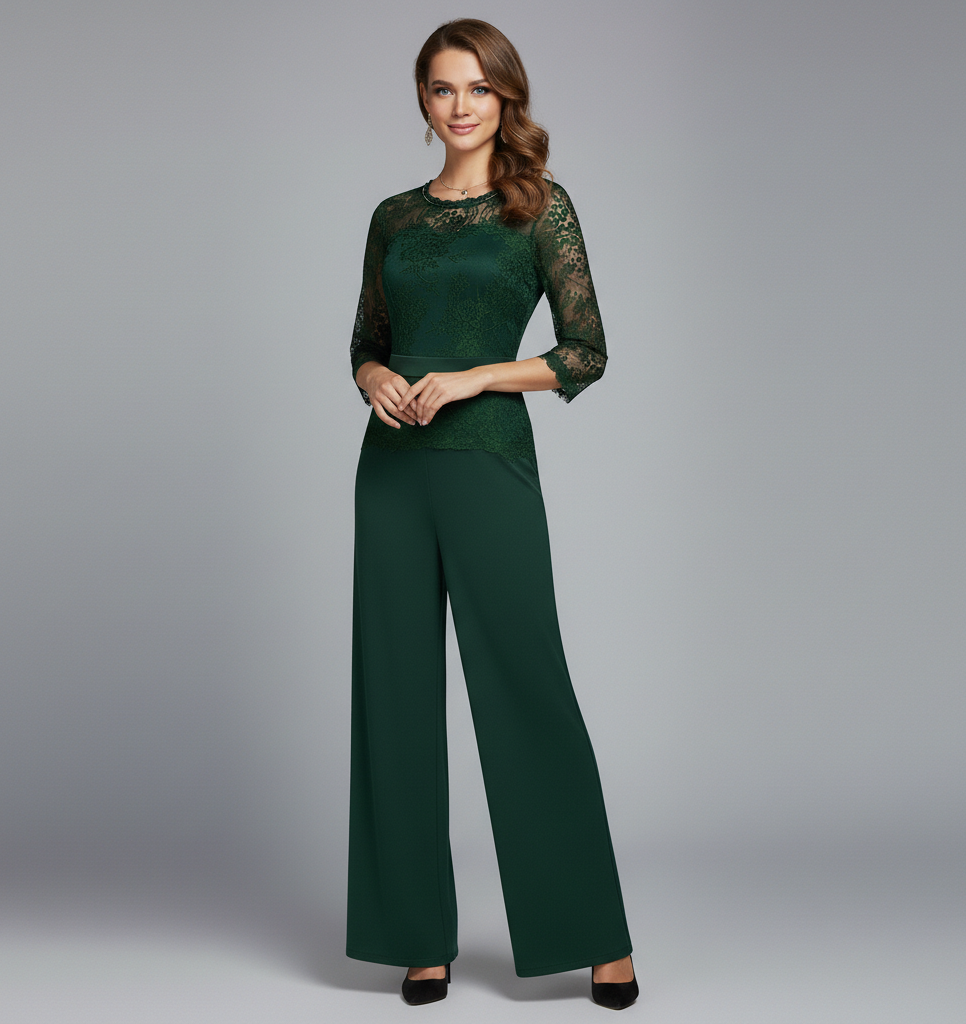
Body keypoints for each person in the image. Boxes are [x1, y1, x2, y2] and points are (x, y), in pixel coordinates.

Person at [347, 19, 638, 1011]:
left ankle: (595, 936)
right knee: (392, 695)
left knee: (525, 686)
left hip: (485, 461)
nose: (460, 106)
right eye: (442, 88)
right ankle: (415, 938)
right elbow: (365, 339)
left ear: (506, 97)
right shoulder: (392, 216)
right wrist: (375, 377)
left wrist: (475, 376)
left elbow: (586, 351)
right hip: (391, 470)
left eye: (478, 88)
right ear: (423, 102)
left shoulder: (539, 208)